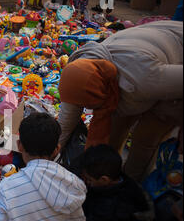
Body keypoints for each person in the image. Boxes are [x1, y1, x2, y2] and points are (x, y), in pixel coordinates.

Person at [57, 20, 183, 183]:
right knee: (112, 135)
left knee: (145, 140)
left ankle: (132, 185)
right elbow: (67, 121)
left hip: (173, 56)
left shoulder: (144, 79)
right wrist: (47, 156)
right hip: (145, 47)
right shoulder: (84, 66)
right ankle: (111, 177)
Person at [68, 145, 151, 221]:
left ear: (104, 179)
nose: (85, 181)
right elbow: (79, 165)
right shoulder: (115, 177)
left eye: (88, 179)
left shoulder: (117, 207)